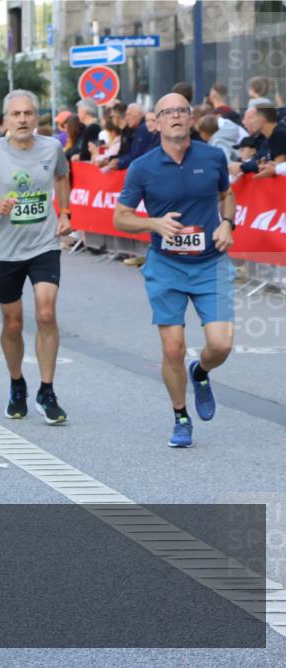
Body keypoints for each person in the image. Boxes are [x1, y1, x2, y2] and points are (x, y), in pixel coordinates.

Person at [113, 93, 236, 448]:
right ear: (157, 121)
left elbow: (227, 194)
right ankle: (181, 416)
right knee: (172, 349)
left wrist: (227, 222)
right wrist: (154, 223)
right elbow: (120, 216)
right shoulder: (143, 167)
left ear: (191, 118)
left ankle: (201, 372)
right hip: (166, 266)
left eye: (182, 110)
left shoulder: (212, 156)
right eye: (169, 112)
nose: (176, 117)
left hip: (211, 263)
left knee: (221, 344)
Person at [0, 89, 73, 424]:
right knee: (12, 323)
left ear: (36, 117)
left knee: (45, 312)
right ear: (6, 120)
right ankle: (16, 383)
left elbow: (61, 176)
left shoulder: (52, 148)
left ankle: (48, 390)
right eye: (16, 114)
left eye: (28, 114)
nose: (23, 120)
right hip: (6, 248)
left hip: (44, 244)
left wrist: (65, 211)